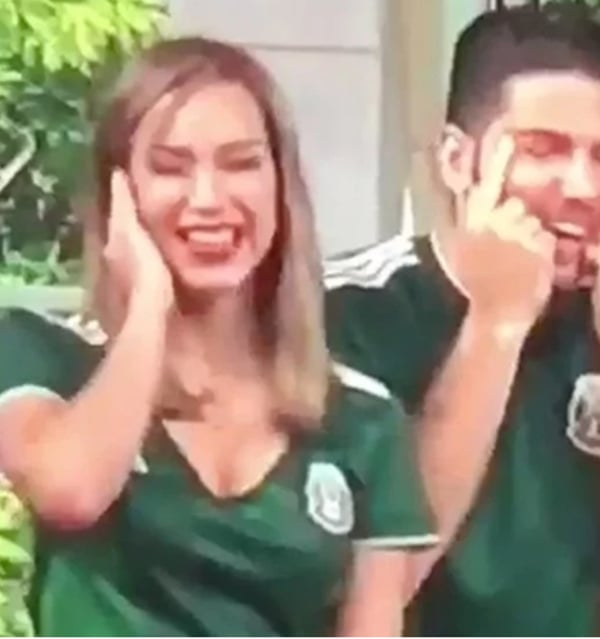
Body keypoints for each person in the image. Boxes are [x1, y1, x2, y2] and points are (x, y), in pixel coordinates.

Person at [0, 37, 435, 636]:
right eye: (170, 167)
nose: (209, 200)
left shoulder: (362, 418)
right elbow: (71, 491)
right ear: (118, 193)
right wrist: (149, 301)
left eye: (241, 163)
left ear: (281, 186)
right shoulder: (43, 354)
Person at [323, 5, 600, 636]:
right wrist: (496, 324)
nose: (581, 186)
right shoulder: (349, 311)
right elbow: (377, 583)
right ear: (457, 162)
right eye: (542, 149)